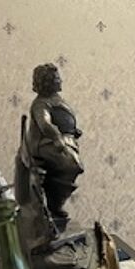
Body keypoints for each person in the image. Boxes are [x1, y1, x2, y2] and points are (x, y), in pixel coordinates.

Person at [26, 63, 83, 228]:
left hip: (64, 140)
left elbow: (62, 117)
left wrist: (72, 130)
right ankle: (54, 205)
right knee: (71, 165)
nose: (60, 81)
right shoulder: (40, 104)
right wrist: (58, 138)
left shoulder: (56, 98)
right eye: (57, 79)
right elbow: (45, 124)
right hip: (45, 144)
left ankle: (55, 204)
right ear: (47, 83)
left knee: (73, 166)